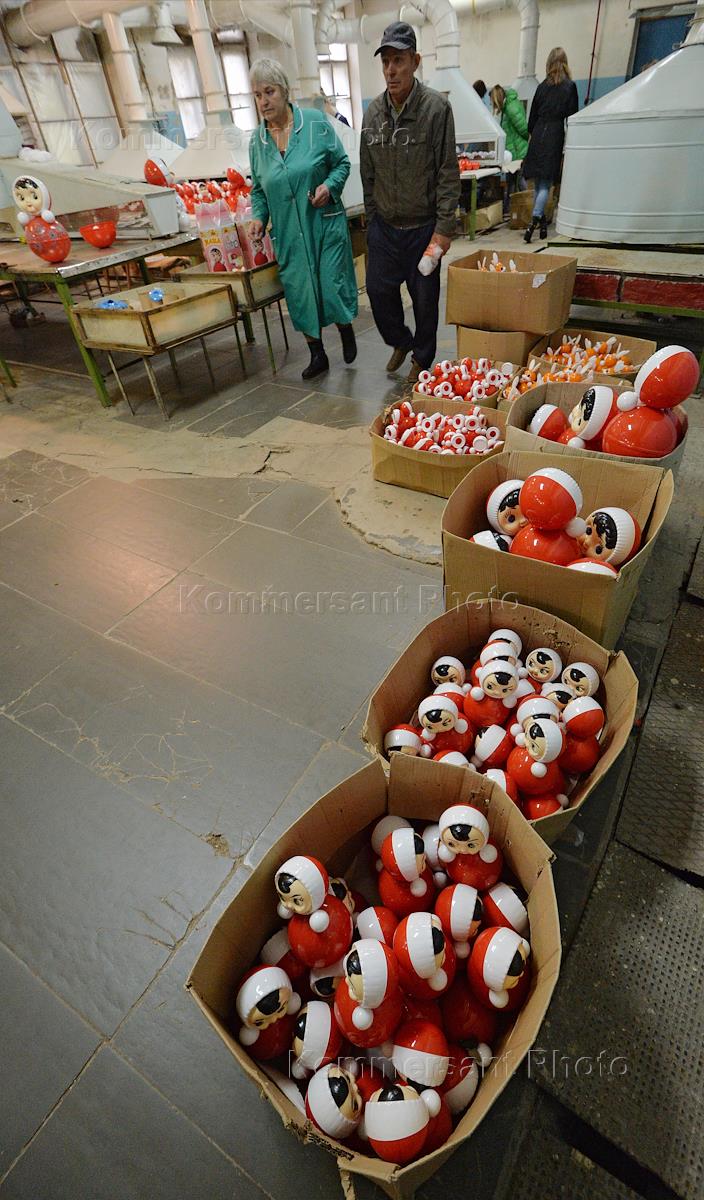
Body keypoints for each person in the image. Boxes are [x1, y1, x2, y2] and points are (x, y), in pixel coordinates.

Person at [360, 22, 460, 382]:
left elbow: (448, 172)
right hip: (386, 228)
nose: (391, 70)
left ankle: (422, 358)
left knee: (425, 301)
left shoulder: (436, 110)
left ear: (415, 62)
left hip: (423, 230)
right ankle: (400, 341)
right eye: (385, 61)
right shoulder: (373, 114)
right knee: (378, 292)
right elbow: (368, 173)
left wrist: (444, 230)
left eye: (398, 60)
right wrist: (373, 223)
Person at [248, 58, 358, 380]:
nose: (263, 101)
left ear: (284, 91)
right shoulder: (257, 142)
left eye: (269, 92)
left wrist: (329, 186)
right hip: (288, 232)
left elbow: (342, 163)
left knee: (331, 284)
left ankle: (345, 327)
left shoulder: (314, 123)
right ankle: (317, 353)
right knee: (299, 291)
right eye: (257, 95)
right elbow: (258, 190)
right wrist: (259, 217)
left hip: (323, 222)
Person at [522, 47, 578, 243]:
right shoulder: (569, 87)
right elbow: (573, 116)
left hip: (539, 132)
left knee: (539, 183)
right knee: (546, 183)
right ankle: (535, 220)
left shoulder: (541, 87)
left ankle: (542, 224)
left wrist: (534, 134)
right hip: (554, 134)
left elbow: (531, 119)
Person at [490, 84, 528, 215]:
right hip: (514, 151)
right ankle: (510, 210)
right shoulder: (508, 107)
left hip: (518, 151)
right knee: (511, 182)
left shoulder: (511, 108)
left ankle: (529, 208)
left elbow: (523, 128)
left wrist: (523, 142)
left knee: (520, 182)